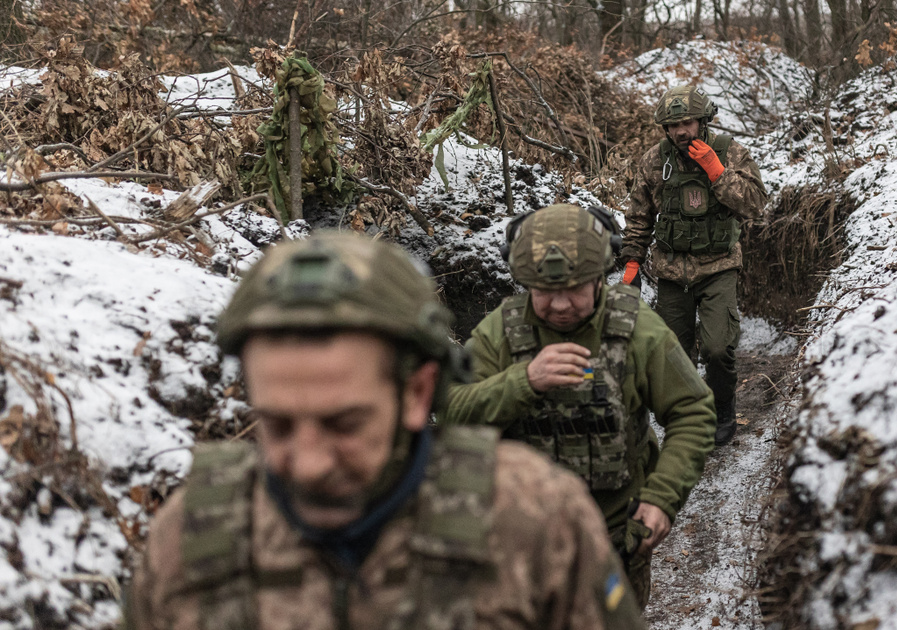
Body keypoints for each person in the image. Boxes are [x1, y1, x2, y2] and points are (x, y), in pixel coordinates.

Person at [121, 232, 644, 630]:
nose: (307, 462)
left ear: (417, 394)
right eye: (276, 424)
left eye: (344, 424)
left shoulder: (533, 521)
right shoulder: (191, 540)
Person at [443, 203, 716, 609]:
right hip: (518, 536)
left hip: (615, 535)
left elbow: (692, 412)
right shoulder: (500, 333)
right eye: (545, 292)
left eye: (574, 289)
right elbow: (451, 412)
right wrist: (524, 381)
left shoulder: (638, 329)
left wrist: (661, 497)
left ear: (599, 280)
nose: (559, 305)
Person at [619, 85, 769, 446]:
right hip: (671, 270)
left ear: (703, 121)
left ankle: (723, 408)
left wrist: (718, 172)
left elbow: (755, 206)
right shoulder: (655, 160)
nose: (679, 131)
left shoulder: (729, 152)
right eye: (672, 126)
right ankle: (686, 419)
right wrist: (631, 264)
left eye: (686, 122)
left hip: (718, 266)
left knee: (718, 348)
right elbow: (639, 216)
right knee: (673, 354)